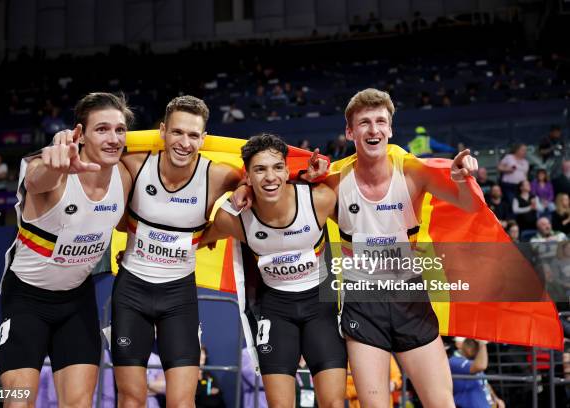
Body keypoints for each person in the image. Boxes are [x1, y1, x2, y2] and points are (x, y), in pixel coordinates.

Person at [325, 88, 480, 407]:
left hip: (410, 297)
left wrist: (464, 181)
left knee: (441, 403)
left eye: (381, 121)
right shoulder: (335, 182)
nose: (373, 129)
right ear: (349, 132)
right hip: (362, 299)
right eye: (364, 123)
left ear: (391, 129)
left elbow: (467, 206)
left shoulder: (412, 173)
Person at [0, 92, 133, 408]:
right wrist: (54, 164)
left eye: (120, 130)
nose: (113, 138)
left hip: (76, 302)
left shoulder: (124, 176)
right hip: (25, 301)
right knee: (17, 402)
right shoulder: (53, 175)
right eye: (102, 129)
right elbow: (34, 180)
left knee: (79, 404)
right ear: (79, 134)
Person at [111, 95, 243, 408]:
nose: (184, 142)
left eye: (193, 135)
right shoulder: (134, 164)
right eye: (177, 132)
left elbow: (268, 178)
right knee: (131, 397)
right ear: (162, 132)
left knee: (183, 400)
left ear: (204, 138)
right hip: (132, 293)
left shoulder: (219, 175)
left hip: (179, 297)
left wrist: (244, 190)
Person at [201, 134, 347, 408]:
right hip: (276, 309)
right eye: (260, 169)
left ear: (287, 170)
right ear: (247, 177)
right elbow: (199, 238)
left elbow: (363, 222)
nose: (270, 177)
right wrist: (140, 247)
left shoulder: (320, 199)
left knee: (334, 403)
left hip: (321, 306)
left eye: (277, 167)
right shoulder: (234, 219)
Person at [449, 338, 505, 408]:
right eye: (472, 343)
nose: (476, 347)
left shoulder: (472, 361)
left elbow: (485, 383)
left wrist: (495, 398)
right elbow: (481, 366)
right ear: (459, 344)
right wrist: (482, 343)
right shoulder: (453, 361)